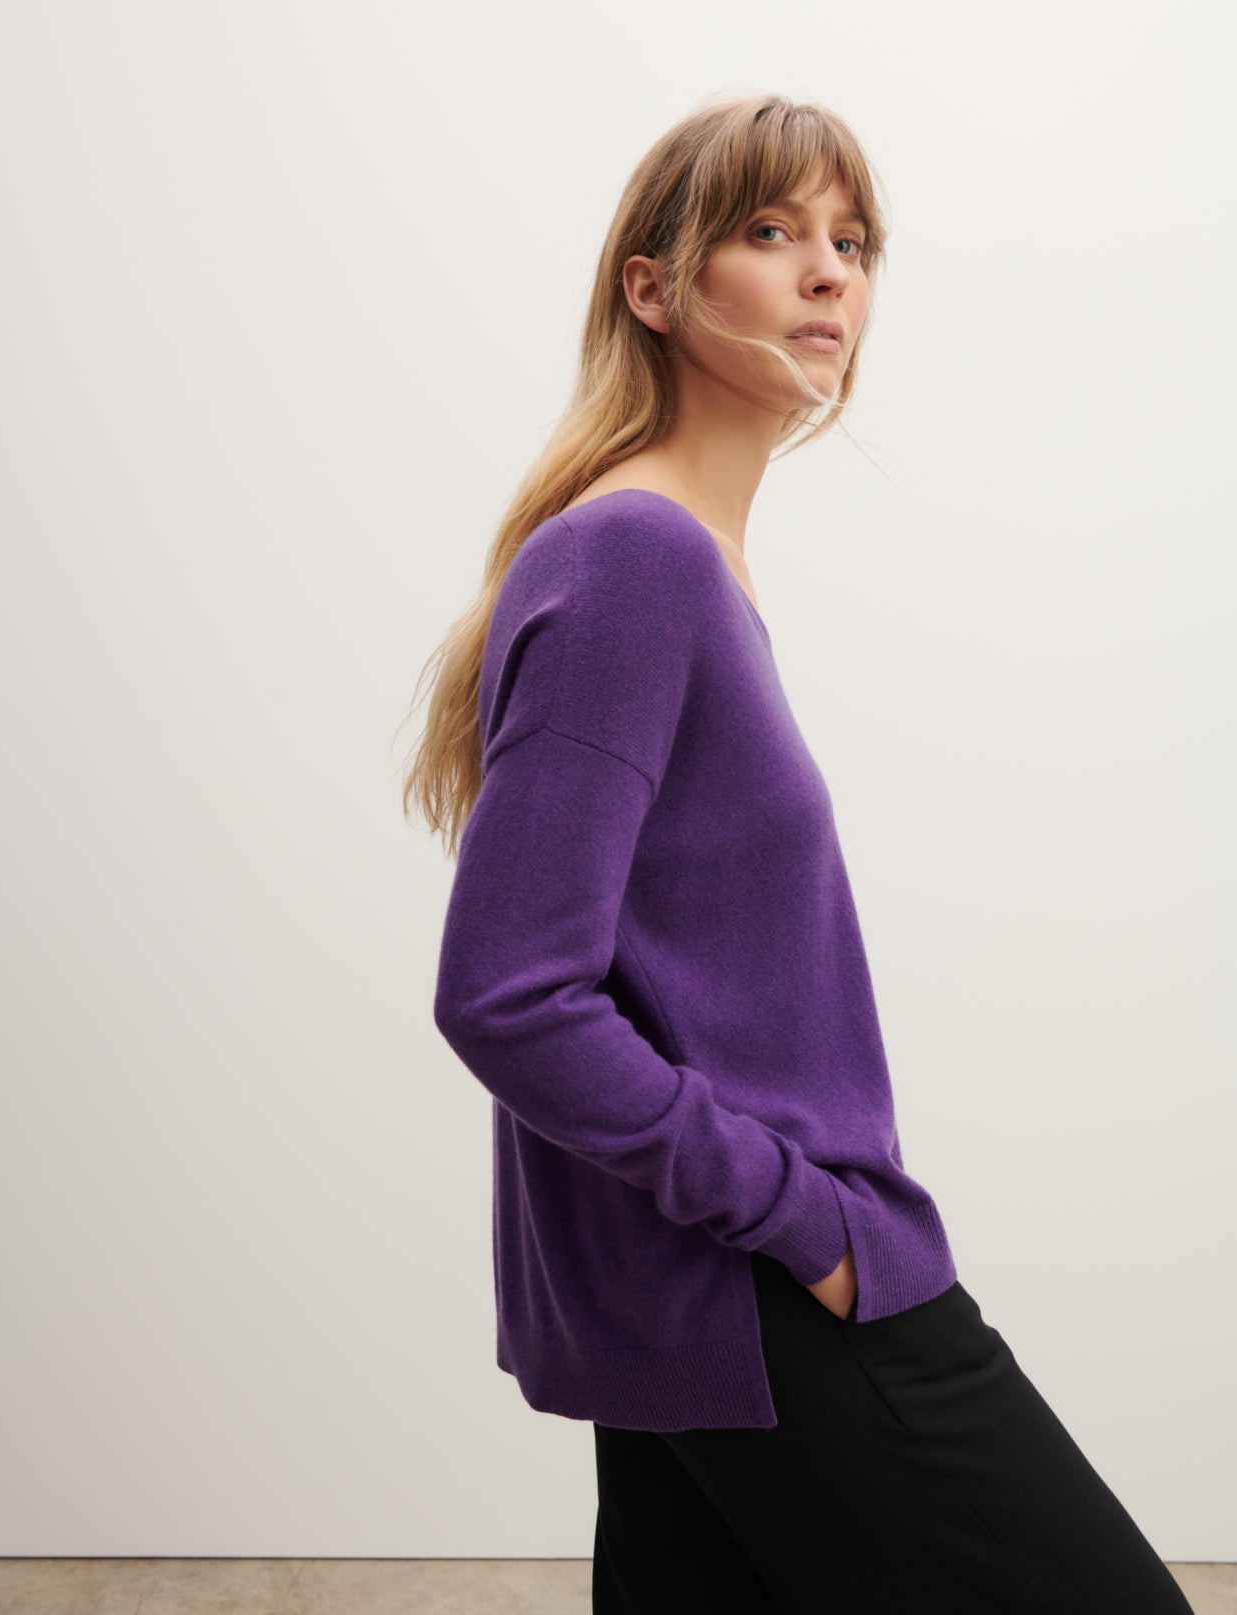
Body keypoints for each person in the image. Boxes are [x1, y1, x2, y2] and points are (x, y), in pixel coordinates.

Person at [403, 92, 1192, 1614]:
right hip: (758, 1281)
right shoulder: (635, 557)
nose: (831, 270)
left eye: (853, 239)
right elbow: (508, 992)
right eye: (772, 231)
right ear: (653, 287)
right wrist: (807, 1226)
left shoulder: (680, 562)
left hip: (699, 1287)